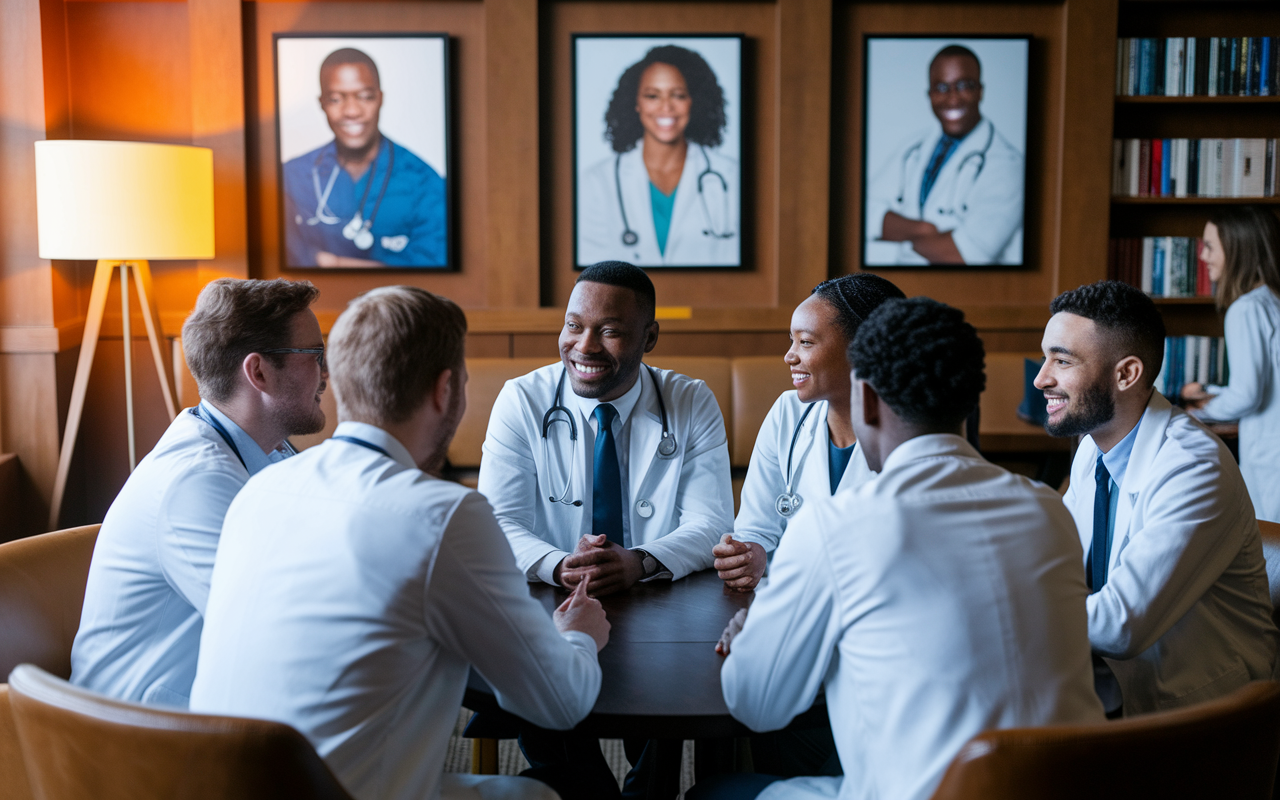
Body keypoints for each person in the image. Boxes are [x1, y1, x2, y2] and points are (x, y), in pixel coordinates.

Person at [190, 286, 610, 800]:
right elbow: (559, 702)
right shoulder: (444, 514)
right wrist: (580, 633)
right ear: (446, 390)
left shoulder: (259, 489)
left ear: (338, 379)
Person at [700, 297, 1103, 800]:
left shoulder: (834, 526)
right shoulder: (1049, 510)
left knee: (712, 792)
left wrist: (754, 631)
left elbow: (756, 705)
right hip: (1067, 784)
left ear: (864, 399)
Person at [477, 260, 733, 798]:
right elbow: (498, 520)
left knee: (676, 689)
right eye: (574, 325)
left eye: (610, 330)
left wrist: (639, 561)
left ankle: (649, 788)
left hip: (661, 603)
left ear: (650, 337)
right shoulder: (522, 399)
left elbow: (711, 521)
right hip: (549, 598)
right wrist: (557, 564)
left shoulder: (690, 401)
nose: (584, 345)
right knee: (540, 693)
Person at [70, 278, 327, 707]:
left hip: (211, 718)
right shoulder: (196, 481)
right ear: (258, 371)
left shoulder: (271, 453)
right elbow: (277, 631)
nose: (327, 373)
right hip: (138, 744)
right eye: (316, 355)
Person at [1036, 280, 1278, 717]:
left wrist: (1001, 606)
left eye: (1062, 360)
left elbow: (1119, 626)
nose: (1041, 378)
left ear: (1126, 374)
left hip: (1198, 722)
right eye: (1045, 356)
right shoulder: (1094, 445)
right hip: (1109, 693)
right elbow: (1061, 562)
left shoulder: (1193, 467)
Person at [715, 274, 904, 594]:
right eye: (791, 340)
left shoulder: (906, 427)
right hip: (793, 600)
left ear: (863, 349)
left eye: (805, 342)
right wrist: (752, 554)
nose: (789, 356)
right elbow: (755, 527)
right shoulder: (788, 412)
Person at [282, 47, 447, 268]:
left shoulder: (425, 183)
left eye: (364, 97)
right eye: (336, 99)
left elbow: (430, 271)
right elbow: (284, 254)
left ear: (380, 99)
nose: (351, 111)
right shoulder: (292, 176)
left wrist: (327, 261)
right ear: (322, 103)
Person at [577, 45, 738, 267]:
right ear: (636, 103)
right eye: (652, 96)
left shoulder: (730, 177)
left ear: (694, 100)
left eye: (678, 95)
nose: (666, 107)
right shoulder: (596, 182)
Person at [864, 44, 1024, 266]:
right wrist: (925, 229)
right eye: (941, 87)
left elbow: (963, 256)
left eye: (964, 85)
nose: (953, 98)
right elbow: (863, 215)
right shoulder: (914, 147)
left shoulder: (1009, 166)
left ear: (980, 91)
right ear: (929, 95)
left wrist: (897, 238)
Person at [1181, 206, 1280, 522]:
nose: (1202, 255)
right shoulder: (1272, 301)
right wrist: (1211, 390)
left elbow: (1248, 396)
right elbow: (1266, 385)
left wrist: (1198, 414)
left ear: (1237, 247)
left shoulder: (1246, 309)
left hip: (1269, 458)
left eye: (1209, 246)